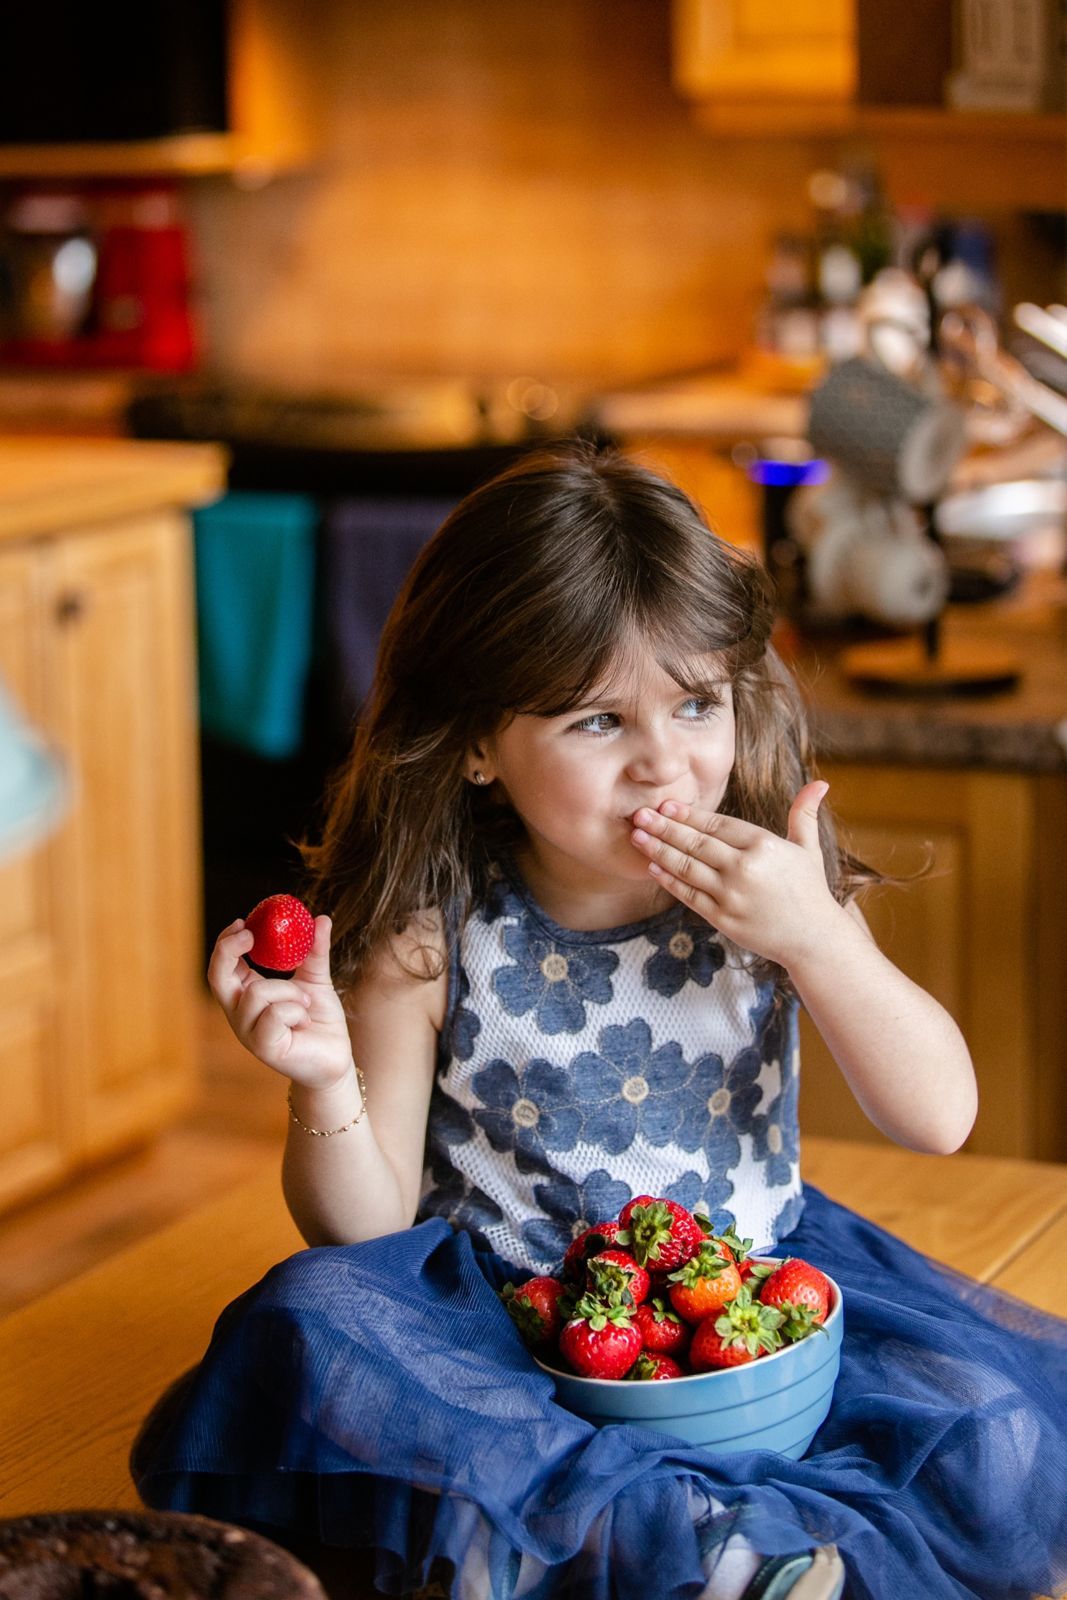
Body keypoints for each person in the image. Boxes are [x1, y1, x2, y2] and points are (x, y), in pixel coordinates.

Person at [133, 443, 1067, 1600]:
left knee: (976, 1417)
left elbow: (936, 1117)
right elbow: (356, 1228)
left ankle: (592, 1542)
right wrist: (323, 1081)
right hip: (502, 1337)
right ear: (475, 742)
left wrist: (816, 935)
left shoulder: (776, 883)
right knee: (310, 1314)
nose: (664, 764)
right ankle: (676, 1548)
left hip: (742, 1304)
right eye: (594, 721)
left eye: (693, 702)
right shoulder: (430, 925)